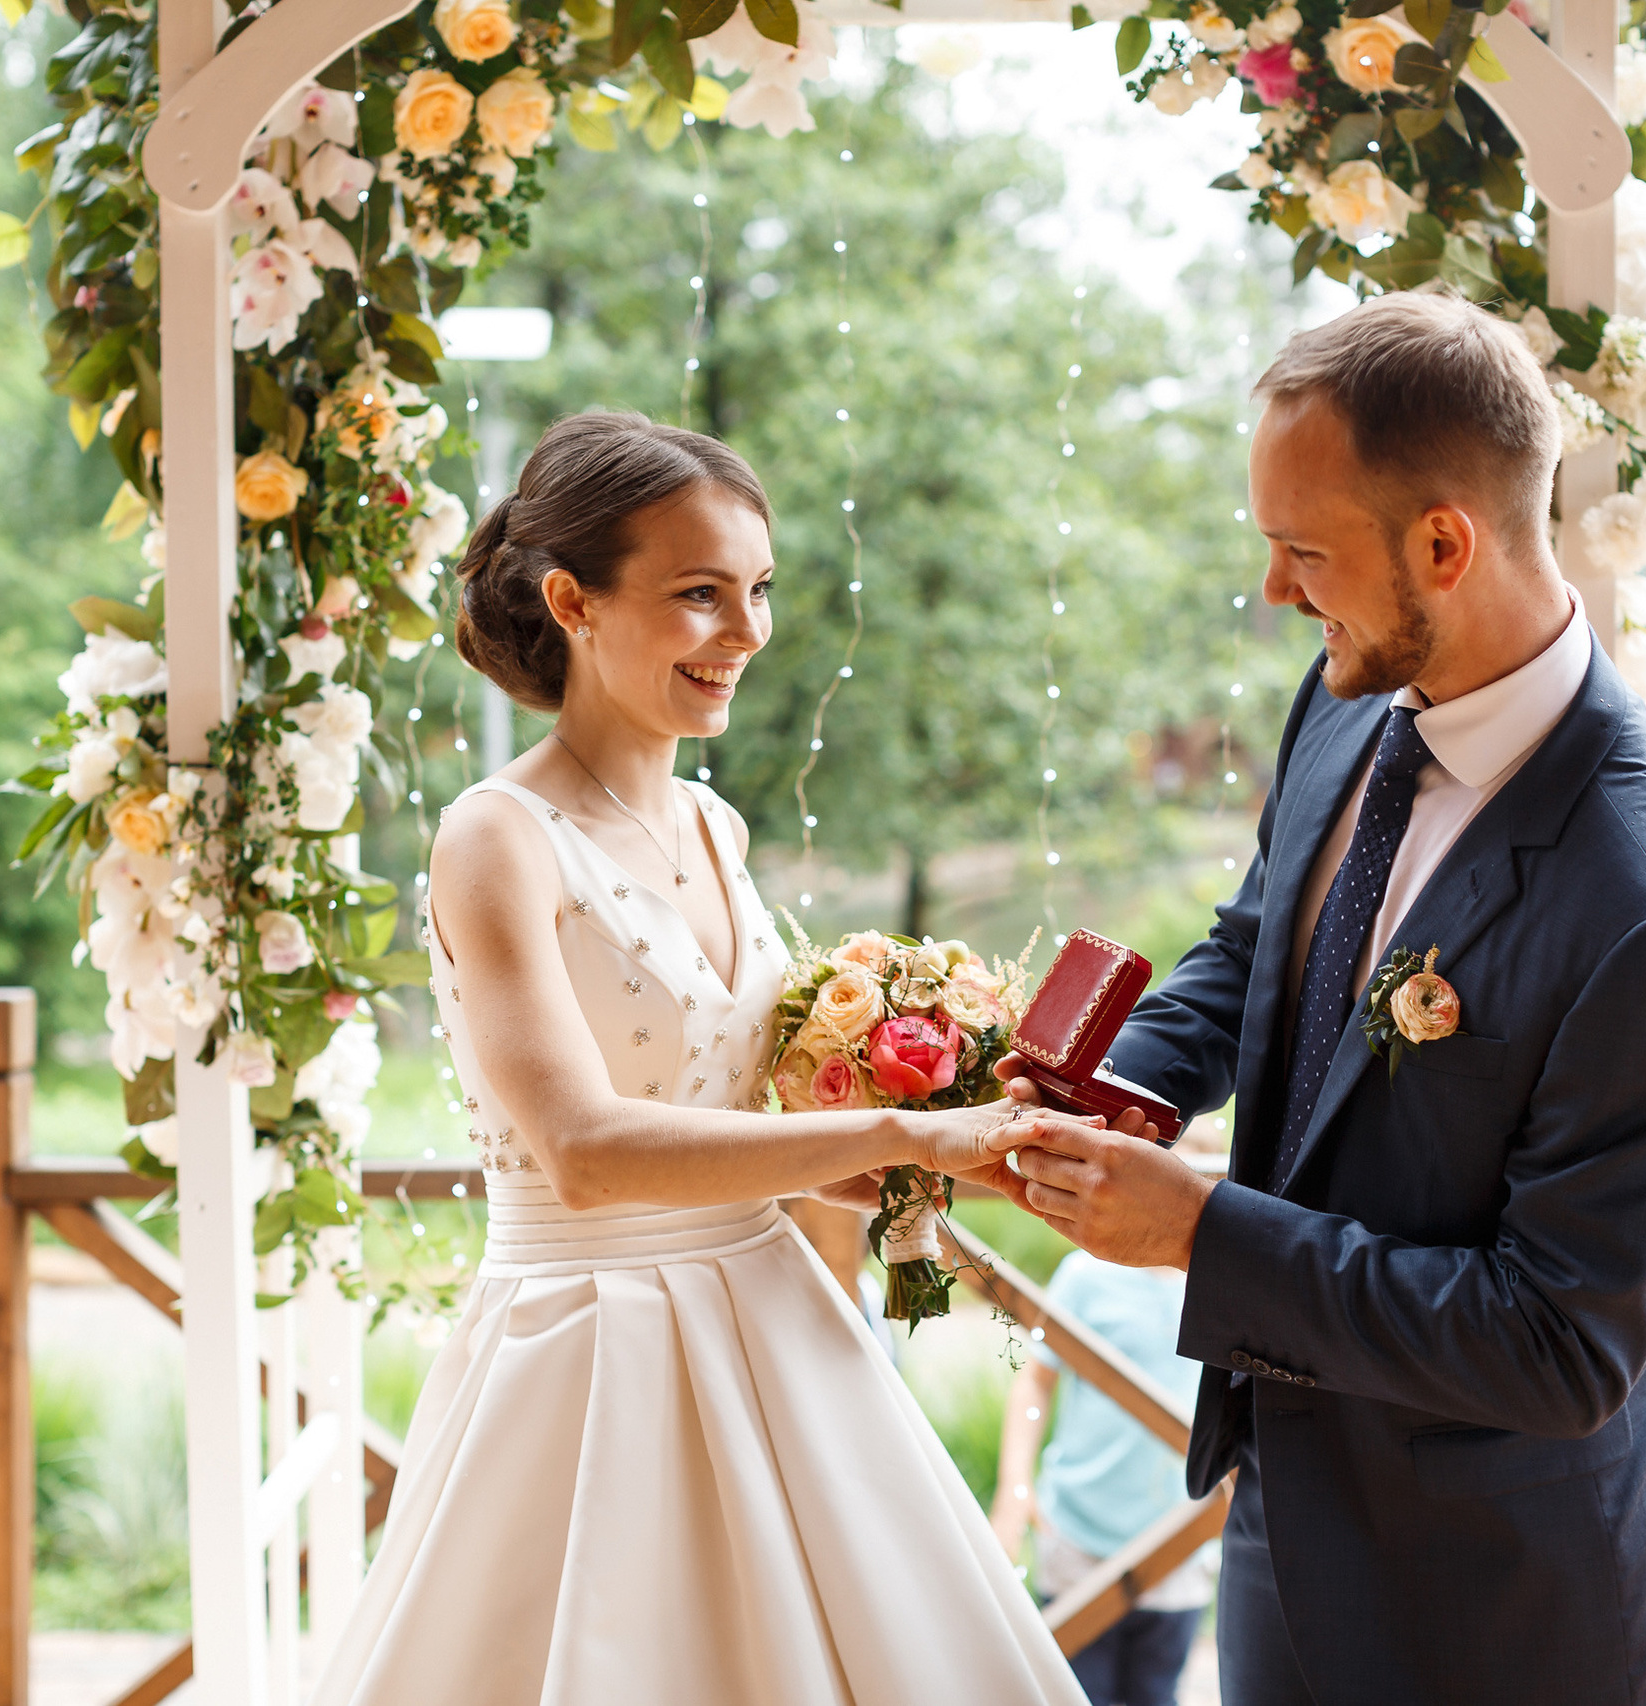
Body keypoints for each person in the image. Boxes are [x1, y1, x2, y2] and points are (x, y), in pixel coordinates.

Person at [992, 292, 1646, 1706]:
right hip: (1294, 1513)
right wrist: (1125, 1083)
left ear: (1445, 544)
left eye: (1303, 552)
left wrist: (1198, 1230)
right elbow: (1258, 945)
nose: (1278, 592)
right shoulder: (1352, 690)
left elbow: (1559, 1341)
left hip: (1516, 1593)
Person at [311, 411, 1083, 1706]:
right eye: (699, 595)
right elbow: (591, 1151)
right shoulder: (498, 836)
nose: (747, 632)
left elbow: (729, 1117)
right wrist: (897, 1134)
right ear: (573, 601)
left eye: (759, 591)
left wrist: (932, 1156)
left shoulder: (716, 826)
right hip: (585, 1354)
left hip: (776, 1329)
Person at [991, 1254, 1216, 1706]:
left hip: (1180, 1545)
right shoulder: (1084, 1275)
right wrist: (1015, 1487)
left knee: (1155, 1695)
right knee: (1074, 1694)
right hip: (1076, 1540)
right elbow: (1037, 1379)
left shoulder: (1224, 1280)